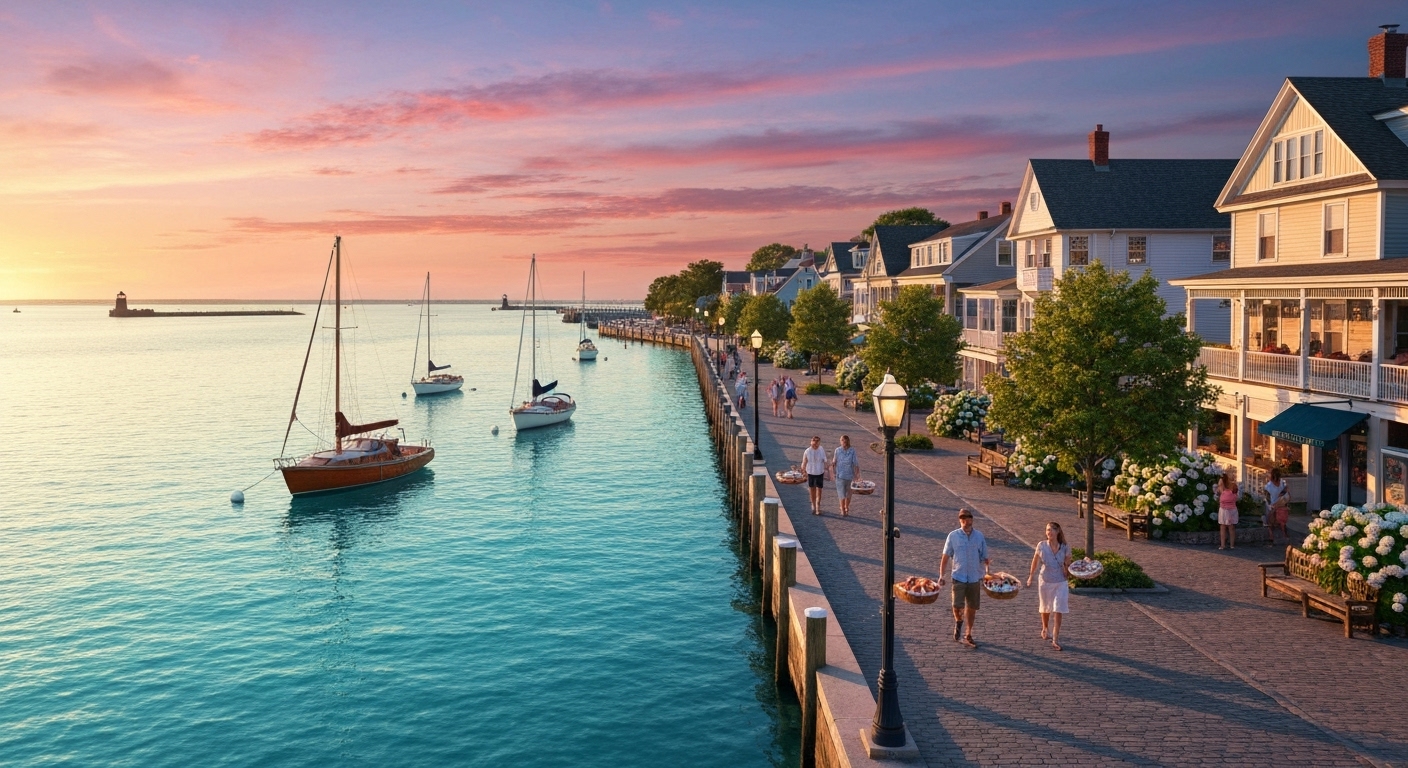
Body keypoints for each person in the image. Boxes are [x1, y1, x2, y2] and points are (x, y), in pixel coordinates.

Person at [938, 508, 990, 648]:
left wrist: (987, 573)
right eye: (962, 518)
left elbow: (985, 558)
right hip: (958, 576)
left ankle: (968, 633)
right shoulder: (953, 536)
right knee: (957, 605)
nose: (965, 521)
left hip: (974, 577)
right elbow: (945, 557)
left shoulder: (979, 536)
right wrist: (941, 575)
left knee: (972, 607)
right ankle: (958, 621)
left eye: (967, 518)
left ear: (972, 519)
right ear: (960, 520)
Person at [1025, 522, 1072, 651]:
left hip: (1060, 582)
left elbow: (1068, 563)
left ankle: (1055, 638)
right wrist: (1030, 576)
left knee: (1058, 608)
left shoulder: (1065, 547)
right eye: (1047, 530)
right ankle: (1045, 627)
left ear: (1057, 531)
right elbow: (1035, 562)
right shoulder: (1041, 545)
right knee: (1045, 607)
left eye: (1051, 530)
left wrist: (1067, 569)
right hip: (1045, 580)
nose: (1048, 532)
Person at [829, 435, 861, 517]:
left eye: (844, 441)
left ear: (847, 441)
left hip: (850, 475)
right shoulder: (837, 450)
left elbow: (855, 463)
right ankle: (842, 509)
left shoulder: (852, 451)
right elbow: (834, 461)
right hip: (840, 475)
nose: (843, 442)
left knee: (848, 494)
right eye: (842, 440)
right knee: (841, 494)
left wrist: (857, 475)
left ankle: (847, 506)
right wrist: (832, 469)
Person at [801, 435, 829, 515]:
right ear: (811, 442)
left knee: (819, 490)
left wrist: (827, 466)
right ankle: (813, 504)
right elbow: (804, 461)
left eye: (817, 444)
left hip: (820, 472)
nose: (815, 445)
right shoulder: (807, 451)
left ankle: (818, 506)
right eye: (814, 443)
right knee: (812, 489)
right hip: (810, 472)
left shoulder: (821, 449)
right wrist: (803, 468)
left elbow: (825, 459)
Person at [1264, 468, 1290, 545]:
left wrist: (1271, 506)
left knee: (1269, 521)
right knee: (1282, 522)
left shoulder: (1268, 486)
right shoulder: (1283, 482)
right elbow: (1286, 490)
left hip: (1273, 505)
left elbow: (1267, 498)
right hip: (1282, 504)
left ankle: (1271, 537)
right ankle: (1285, 535)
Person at [1217, 469, 1240, 550]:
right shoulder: (1222, 485)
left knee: (1231, 526)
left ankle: (1231, 544)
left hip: (1231, 509)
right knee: (1223, 526)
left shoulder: (1234, 486)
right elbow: (1219, 490)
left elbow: (1236, 496)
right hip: (1223, 509)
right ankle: (1223, 545)